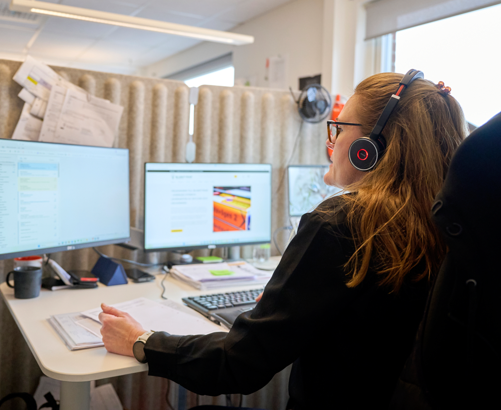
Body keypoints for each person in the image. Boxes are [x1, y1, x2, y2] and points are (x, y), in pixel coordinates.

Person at [98, 72, 467, 410]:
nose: (331, 140)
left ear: (368, 148)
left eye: (339, 128)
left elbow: (238, 364)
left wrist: (142, 341)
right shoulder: (452, 226)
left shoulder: (340, 224)